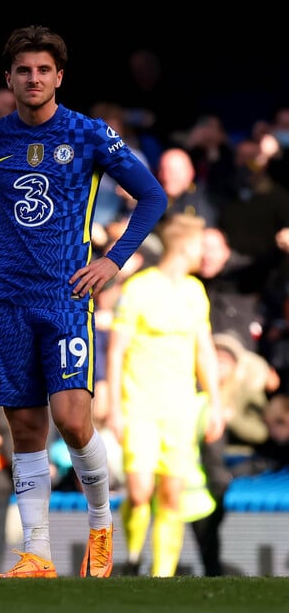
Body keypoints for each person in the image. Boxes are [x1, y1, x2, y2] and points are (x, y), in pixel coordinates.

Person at [0, 25, 168, 578]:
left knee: (71, 418)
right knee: (23, 425)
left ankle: (100, 524)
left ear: (59, 77)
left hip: (68, 295)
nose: (34, 78)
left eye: (44, 69)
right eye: (24, 70)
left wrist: (113, 261)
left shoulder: (89, 134)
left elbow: (153, 196)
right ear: (9, 78)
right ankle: (37, 554)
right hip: (10, 297)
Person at [106, 213, 225, 577]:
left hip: (180, 409)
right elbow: (117, 350)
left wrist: (216, 404)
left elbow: (204, 350)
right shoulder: (139, 288)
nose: (203, 255)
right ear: (186, 245)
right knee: (140, 491)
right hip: (138, 406)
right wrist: (114, 409)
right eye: (200, 246)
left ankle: (162, 576)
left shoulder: (194, 291)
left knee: (172, 493)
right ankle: (132, 557)